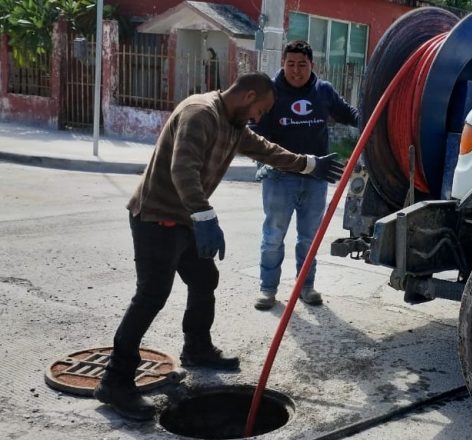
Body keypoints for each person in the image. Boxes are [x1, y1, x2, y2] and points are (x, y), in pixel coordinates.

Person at [93, 72, 344, 421]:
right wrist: (204, 215)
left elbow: (266, 150)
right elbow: (183, 169)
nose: (260, 119)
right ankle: (115, 381)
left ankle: (196, 348)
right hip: (157, 217)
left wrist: (309, 164)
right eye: (261, 110)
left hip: (185, 220)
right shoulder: (200, 114)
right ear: (248, 95)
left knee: (203, 279)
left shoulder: (233, 123)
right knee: (151, 295)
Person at [250, 40, 359, 311]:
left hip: (316, 179)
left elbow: (351, 115)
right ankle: (268, 289)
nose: (296, 70)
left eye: (302, 65)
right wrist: (261, 161)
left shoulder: (324, 91)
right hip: (279, 178)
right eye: (290, 64)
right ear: (283, 64)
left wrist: (374, 119)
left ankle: (306, 286)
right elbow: (255, 134)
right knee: (273, 236)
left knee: (309, 238)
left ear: (312, 65)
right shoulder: (270, 93)